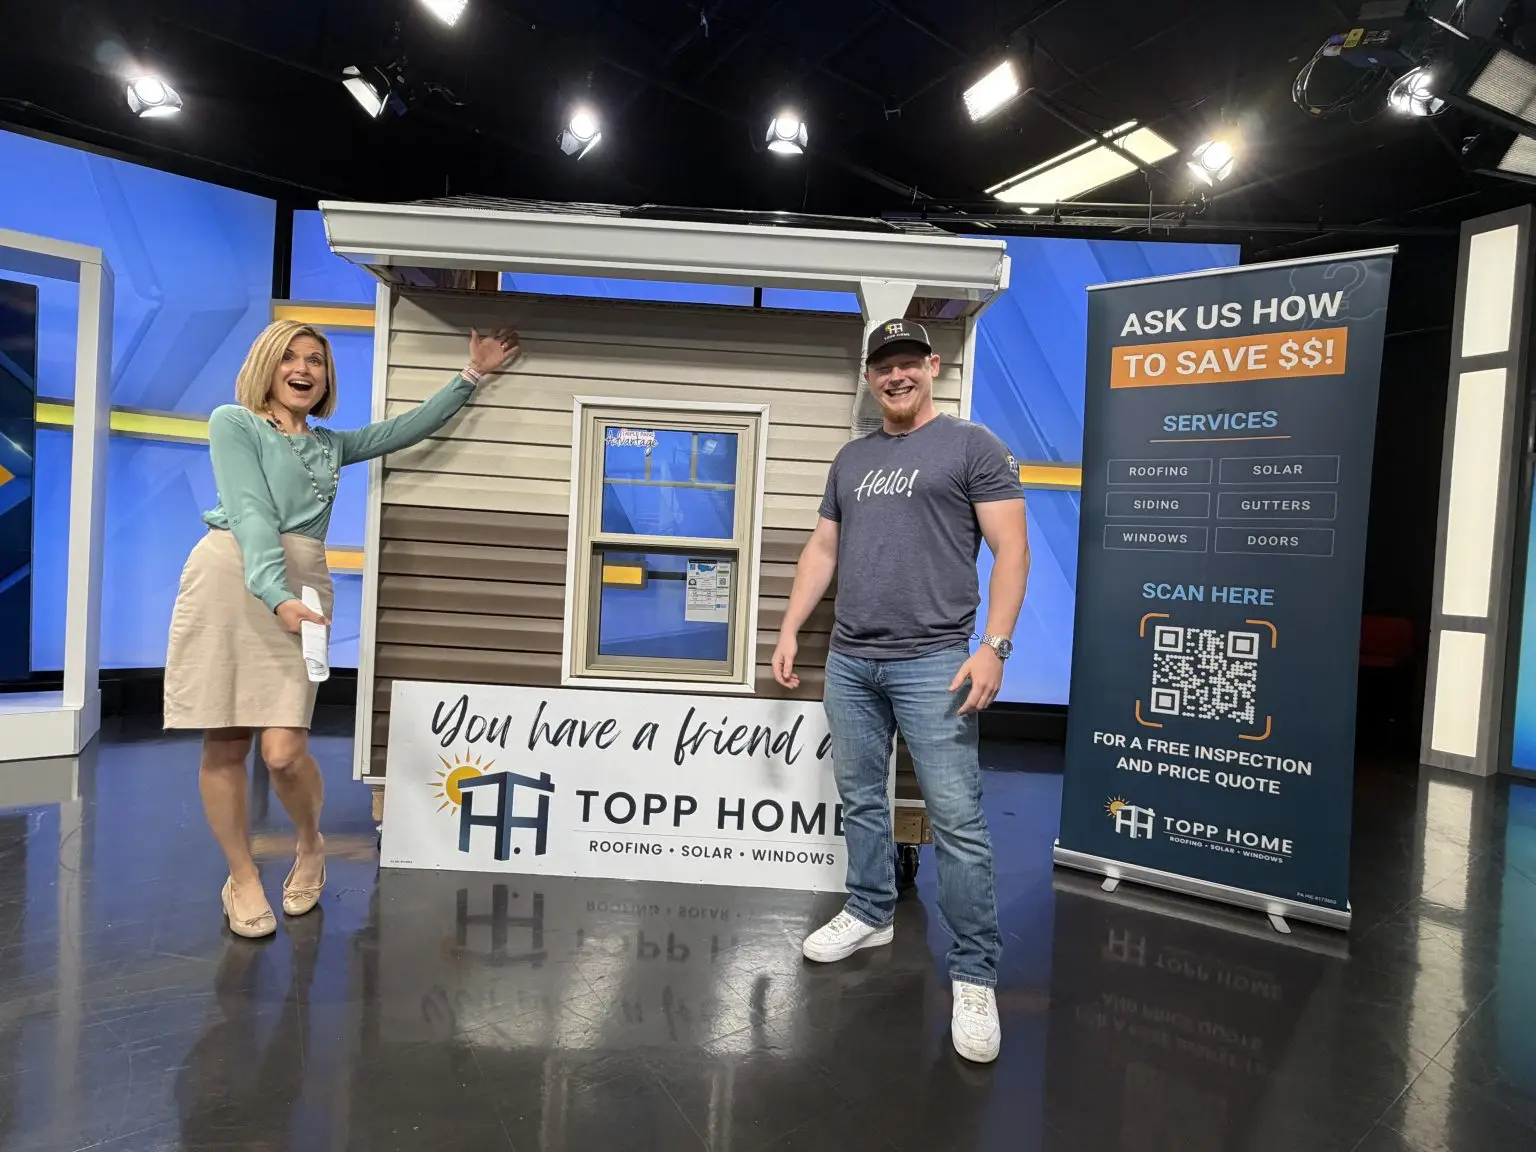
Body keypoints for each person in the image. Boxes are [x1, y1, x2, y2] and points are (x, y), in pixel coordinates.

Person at [164, 319, 520, 939]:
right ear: (268, 367)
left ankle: (310, 844)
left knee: (283, 750)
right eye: (291, 358)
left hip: (303, 585)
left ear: (326, 378)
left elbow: (404, 431)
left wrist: (470, 377)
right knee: (225, 744)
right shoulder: (234, 422)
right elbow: (249, 514)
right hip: (233, 574)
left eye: (316, 361)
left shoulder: (330, 446)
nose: (303, 369)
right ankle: (242, 878)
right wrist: (273, 594)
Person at [771, 318, 1029, 1064]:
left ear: (932, 365)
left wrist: (995, 648)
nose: (896, 376)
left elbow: (1012, 549)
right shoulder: (851, 459)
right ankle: (870, 909)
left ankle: (975, 974)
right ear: (870, 377)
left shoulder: (972, 446)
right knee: (860, 799)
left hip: (935, 662)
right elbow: (824, 549)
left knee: (958, 822)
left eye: (908, 363)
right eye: (883, 366)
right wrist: (790, 630)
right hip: (852, 661)